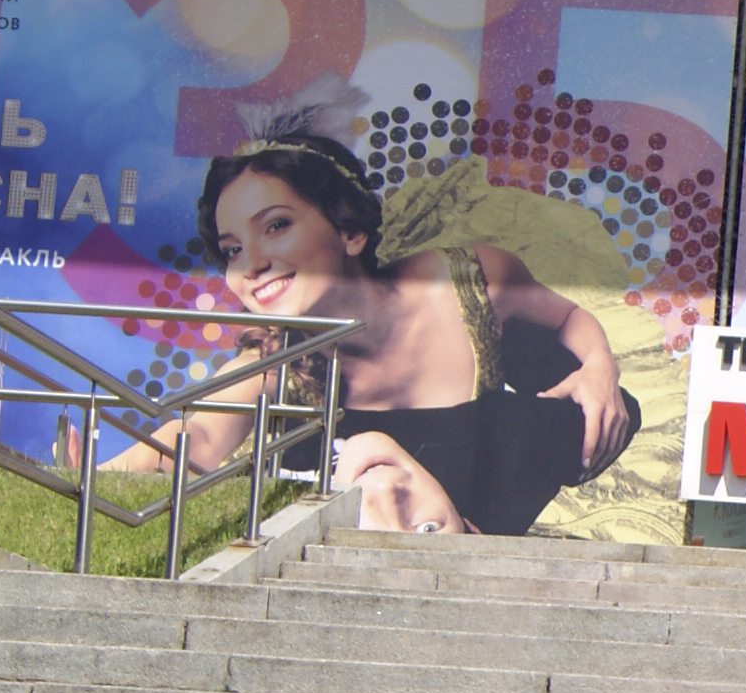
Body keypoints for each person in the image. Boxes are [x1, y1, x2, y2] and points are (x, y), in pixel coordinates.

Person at [103, 132, 634, 537]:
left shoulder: (466, 281)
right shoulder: (273, 360)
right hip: (376, 565)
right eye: (232, 249)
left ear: (350, 229)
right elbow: (194, 439)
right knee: (356, 463)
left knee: (578, 413)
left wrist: (599, 368)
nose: (251, 264)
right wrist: (99, 474)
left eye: (276, 225)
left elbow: (567, 317)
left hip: (478, 540)